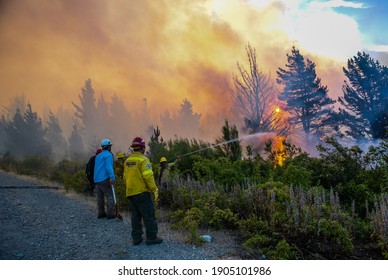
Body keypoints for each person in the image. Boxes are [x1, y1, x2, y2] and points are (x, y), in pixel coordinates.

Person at [124, 136, 162, 245]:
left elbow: (125, 177)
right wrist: (154, 190)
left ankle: (136, 238)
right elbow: (148, 177)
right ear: (143, 148)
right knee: (149, 215)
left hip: (131, 192)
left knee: (135, 216)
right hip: (142, 193)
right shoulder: (143, 160)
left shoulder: (127, 161)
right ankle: (151, 238)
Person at [94, 138, 116, 219]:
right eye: (110, 146)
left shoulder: (98, 156)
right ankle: (110, 214)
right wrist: (112, 177)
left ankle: (101, 213)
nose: (111, 147)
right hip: (104, 179)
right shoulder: (108, 155)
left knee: (100, 197)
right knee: (109, 196)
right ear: (108, 146)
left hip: (97, 179)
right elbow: (109, 167)